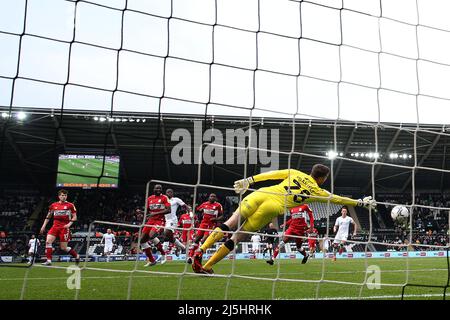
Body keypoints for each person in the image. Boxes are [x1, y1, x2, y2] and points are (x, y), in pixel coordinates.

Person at [192, 164, 376, 274]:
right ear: (322, 178)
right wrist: (359, 202)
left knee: (229, 224)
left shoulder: (295, 172)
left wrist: (249, 180)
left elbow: (272, 174)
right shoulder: (317, 191)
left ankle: (200, 250)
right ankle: (207, 266)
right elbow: (338, 199)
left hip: (260, 194)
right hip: (272, 207)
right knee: (237, 237)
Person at [39, 189, 80, 266]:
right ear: (59, 196)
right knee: (48, 242)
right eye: (62, 195)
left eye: (65, 195)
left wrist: (69, 224)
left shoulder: (70, 205)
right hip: (55, 227)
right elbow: (48, 216)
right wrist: (43, 226)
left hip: (64, 228)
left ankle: (76, 256)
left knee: (63, 248)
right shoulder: (53, 205)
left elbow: (75, 217)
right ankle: (49, 261)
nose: (63, 197)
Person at [187, 193, 223, 264]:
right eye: (211, 196)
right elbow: (197, 210)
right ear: (209, 197)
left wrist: (216, 219)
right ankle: (190, 257)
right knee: (196, 240)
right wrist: (194, 211)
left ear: (215, 198)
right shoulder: (204, 204)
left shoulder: (218, 205)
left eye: (214, 196)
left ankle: (197, 256)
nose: (212, 197)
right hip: (203, 224)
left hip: (211, 225)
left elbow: (222, 216)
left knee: (203, 240)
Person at [140, 184, 170, 267]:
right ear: (153, 189)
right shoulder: (149, 198)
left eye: (160, 188)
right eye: (157, 188)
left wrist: (155, 213)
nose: (158, 189)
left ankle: (163, 253)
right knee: (142, 240)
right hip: (150, 221)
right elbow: (147, 211)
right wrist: (141, 213)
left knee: (151, 235)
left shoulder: (164, 197)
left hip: (160, 221)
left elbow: (168, 210)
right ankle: (152, 260)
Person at [164, 189, 191, 258]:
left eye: (171, 192)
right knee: (169, 237)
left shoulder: (176, 200)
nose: (169, 193)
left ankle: (163, 253)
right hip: (164, 220)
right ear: (166, 193)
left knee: (167, 233)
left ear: (173, 193)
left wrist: (190, 213)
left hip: (172, 220)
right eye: (168, 192)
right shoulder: (163, 200)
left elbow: (186, 206)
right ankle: (182, 247)